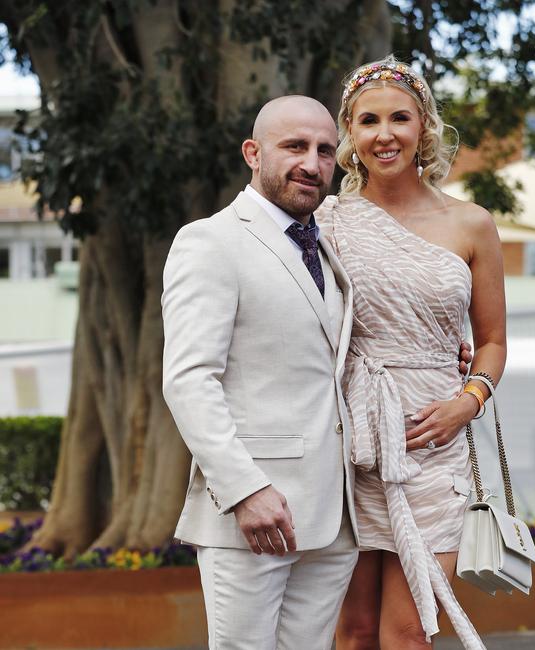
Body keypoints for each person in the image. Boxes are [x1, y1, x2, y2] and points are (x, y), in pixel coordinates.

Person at [315, 56, 507, 650]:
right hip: (351, 440)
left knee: (409, 633)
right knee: (355, 632)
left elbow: (493, 342)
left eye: (400, 117)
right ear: (350, 133)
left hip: (435, 442)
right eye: (368, 120)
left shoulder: (471, 224)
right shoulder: (326, 222)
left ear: (424, 127)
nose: (385, 134)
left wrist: (466, 402)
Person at [161, 96, 359, 650]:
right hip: (254, 508)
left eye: (325, 150)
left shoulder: (326, 245)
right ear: (254, 153)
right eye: (294, 146)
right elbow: (188, 378)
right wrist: (245, 490)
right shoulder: (210, 241)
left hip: (333, 512)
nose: (313, 163)